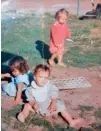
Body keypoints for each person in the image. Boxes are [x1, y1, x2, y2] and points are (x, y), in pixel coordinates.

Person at [17, 64, 83, 127]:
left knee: (58, 104)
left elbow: (54, 93)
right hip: (39, 109)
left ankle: (70, 121)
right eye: (40, 77)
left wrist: (53, 103)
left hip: (50, 108)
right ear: (34, 77)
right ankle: (23, 115)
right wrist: (34, 103)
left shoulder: (49, 85)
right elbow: (31, 100)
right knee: (27, 105)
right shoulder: (30, 89)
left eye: (46, 77)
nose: (43, 80)